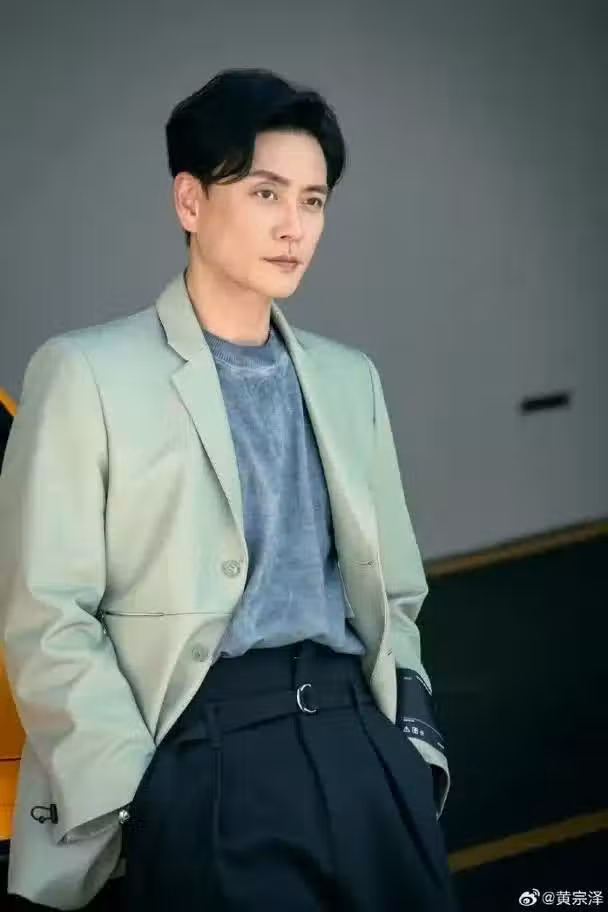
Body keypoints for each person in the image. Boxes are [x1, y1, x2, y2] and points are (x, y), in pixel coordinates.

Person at [0, 68, 459, 911]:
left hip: (360, 742)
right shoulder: (85, 373)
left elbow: (395, 591)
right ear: (190, 201)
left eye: (313, 201)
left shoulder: (350, 379)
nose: (294, 227)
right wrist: (139, 795)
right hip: (203, 757)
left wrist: (412, 741)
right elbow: (46, 612)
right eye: (265, 193)